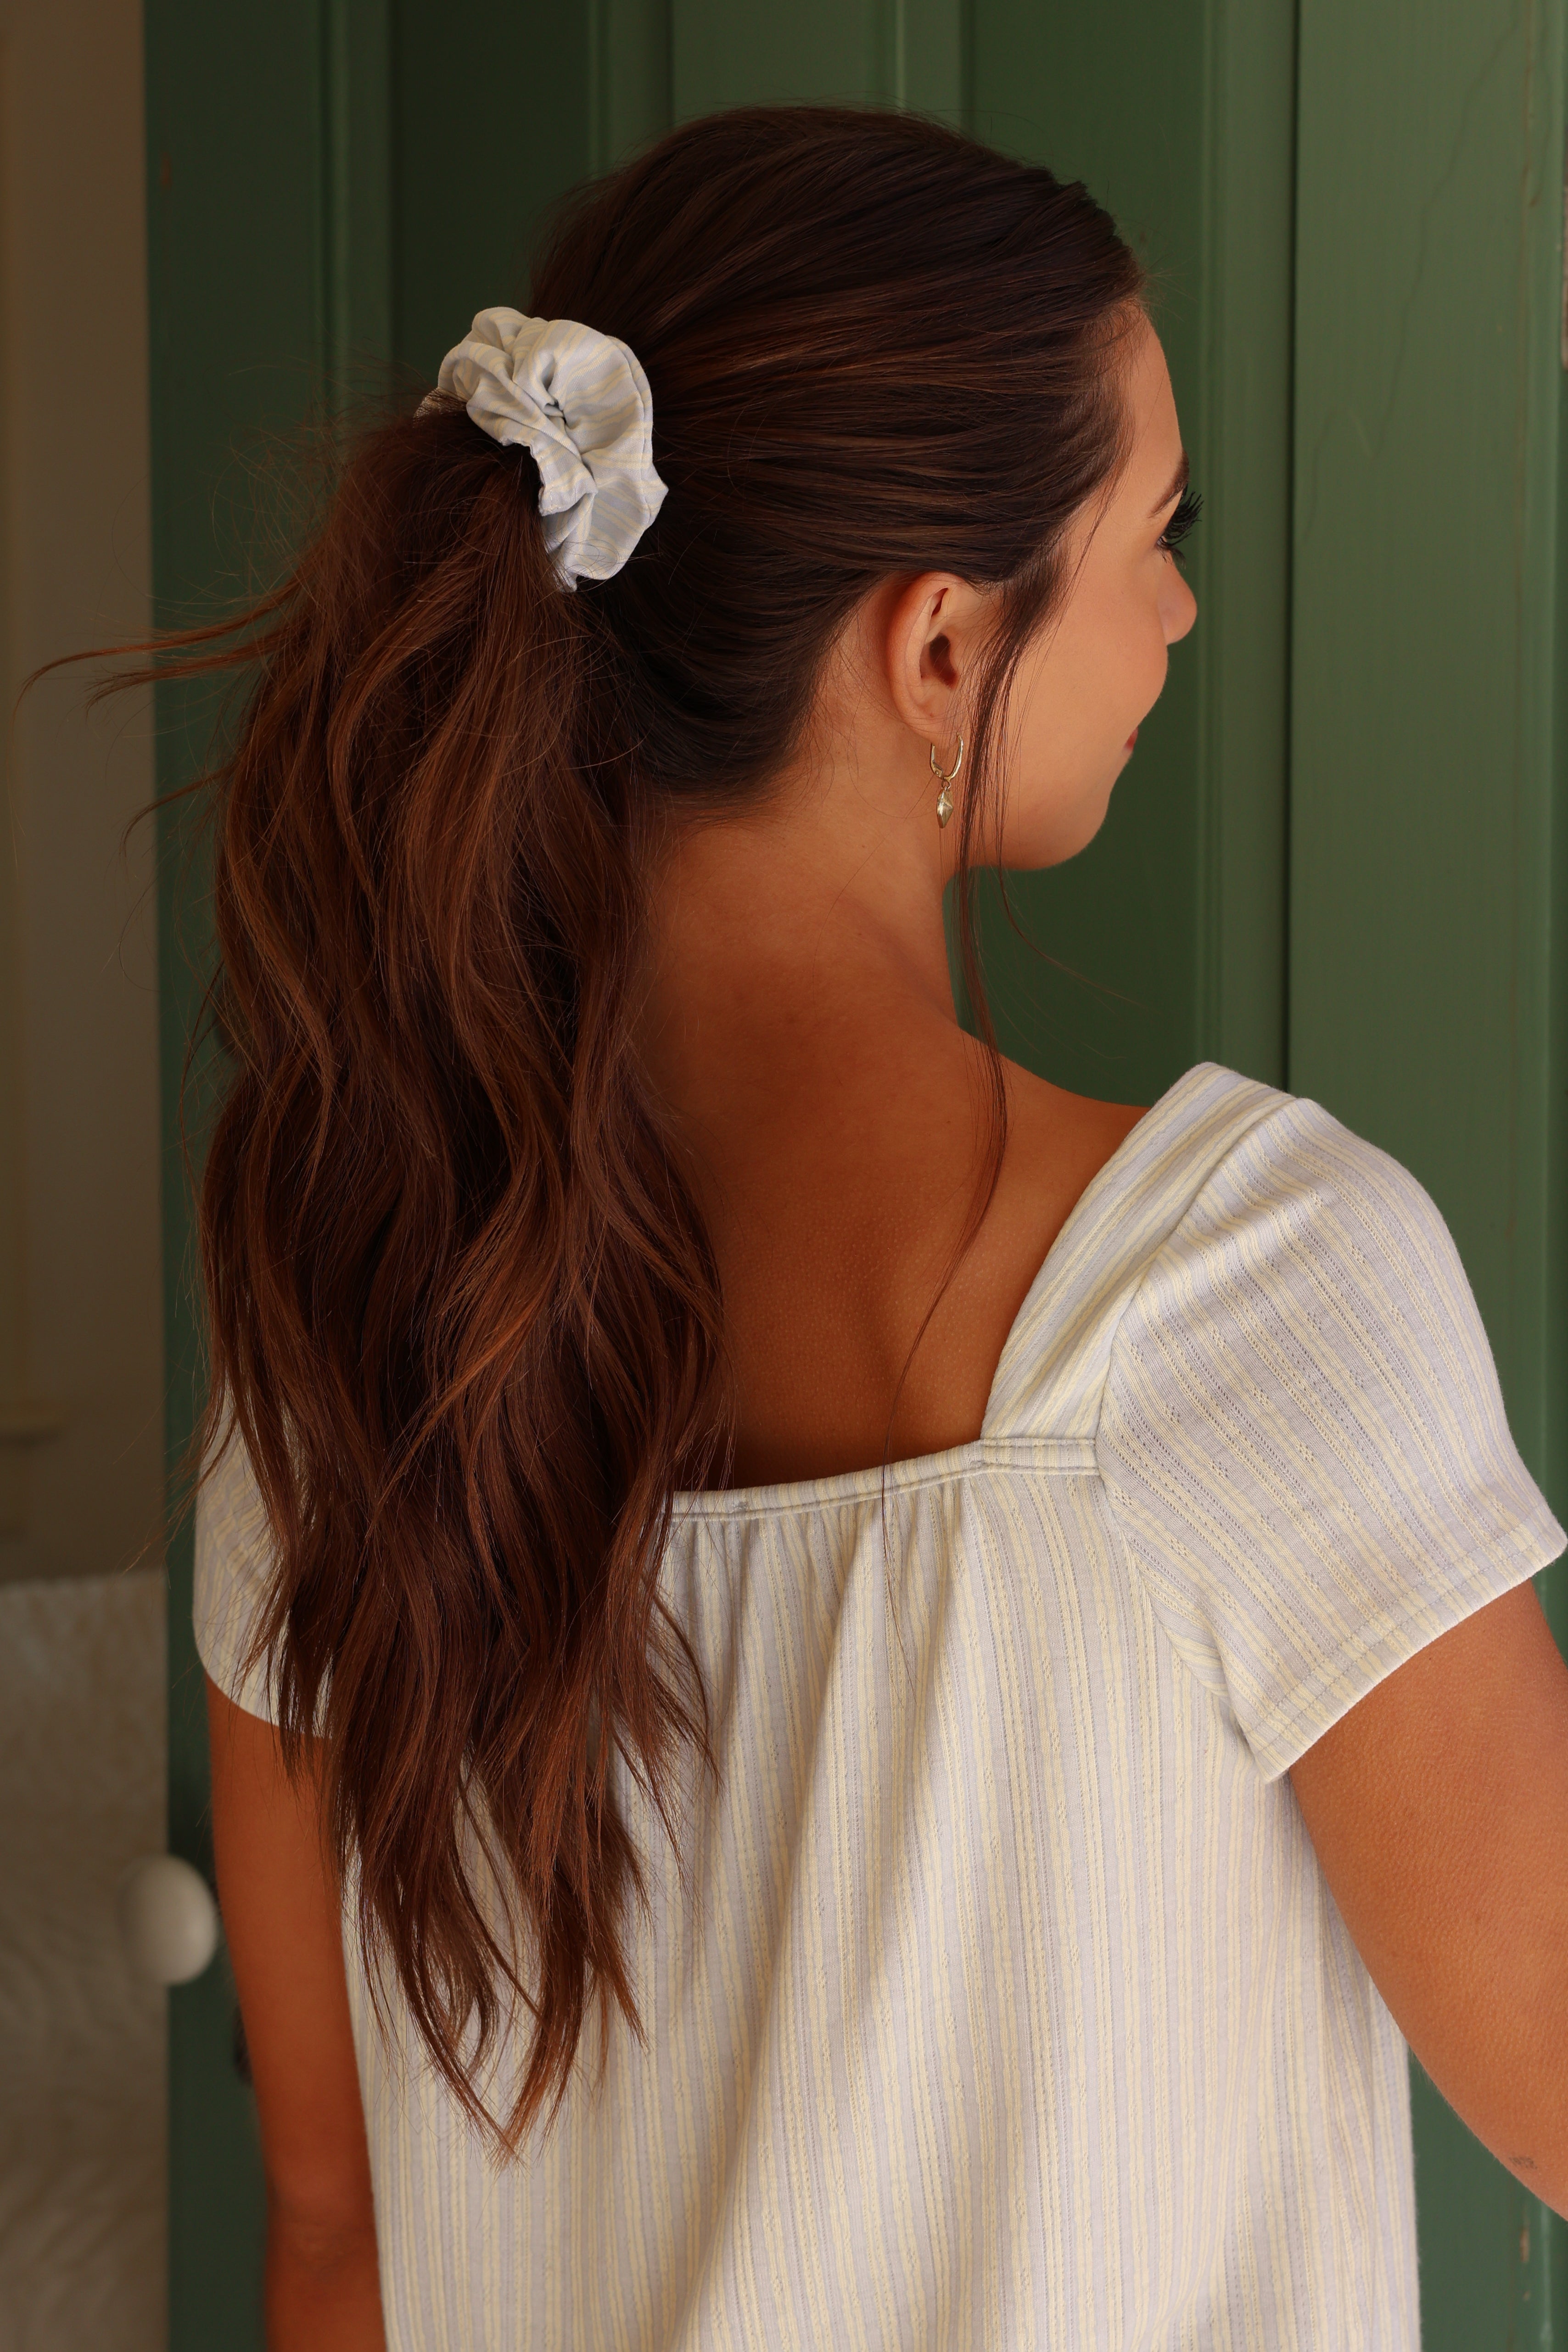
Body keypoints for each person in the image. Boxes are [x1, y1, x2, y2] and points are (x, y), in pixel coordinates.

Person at [179, 106, 1568, 2352]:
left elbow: (338, 2243)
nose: (1180, 605)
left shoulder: (334, 1356)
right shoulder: (1242, 1293)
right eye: (1153, 527)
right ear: (935, 645)